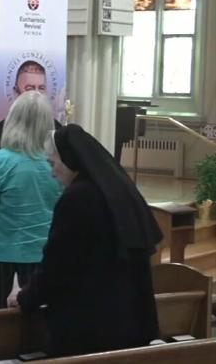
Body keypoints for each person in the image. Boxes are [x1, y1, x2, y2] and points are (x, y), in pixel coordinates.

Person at [10, 124, 162, 357]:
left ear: (69, 159)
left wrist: (24, 298)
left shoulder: (77, 198)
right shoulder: (119, 189)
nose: (52, 173)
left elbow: (57, 266)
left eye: (53, 164)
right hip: (130, 320)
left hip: (89, 328)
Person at [0, 91, 62, 310]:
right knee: (38, 328)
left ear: (12, 121)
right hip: (45, 258)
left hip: (2, 258)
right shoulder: (57, 164)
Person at [0, 60, 60, 149]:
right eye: (29, 89)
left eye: (41, 88)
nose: (37, 94)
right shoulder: (0, 130)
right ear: (16, 92)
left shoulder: (57, 130)